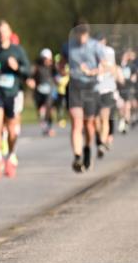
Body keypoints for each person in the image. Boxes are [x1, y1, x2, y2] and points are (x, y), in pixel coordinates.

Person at [0, 20, 30, 179]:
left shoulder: (17, 51)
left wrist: (17, 68)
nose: (1, 35)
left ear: (9, 33)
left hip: (12, 94)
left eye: (4, 32)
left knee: (12, 130)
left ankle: (11, 156)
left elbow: (27, 71)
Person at [61, 22, 102, 172]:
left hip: (91, 87)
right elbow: (61, 64)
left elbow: (104, 66)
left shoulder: (95, 46)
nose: (81, 37)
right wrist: (63, 71)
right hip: (74, 88)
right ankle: (77, 156)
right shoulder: (68, 46)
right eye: (79, 34)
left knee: (89, 124)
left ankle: (86, 149)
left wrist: (92, 72)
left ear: (88, 34)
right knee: (76, 123)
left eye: (84, 34)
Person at [95, 34, 119, 157]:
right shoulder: (91, 50)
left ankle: (102, 143)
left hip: (107, 89)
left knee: (105, 117)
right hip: (94, 90)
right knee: (96, 119)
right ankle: (101, 139)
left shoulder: (109, 51)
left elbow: (113, 67)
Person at [29, 48, 58, 137]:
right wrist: (31, 81)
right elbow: (31, 76)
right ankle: (45, 126)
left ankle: (49, 126)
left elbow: (57, 75)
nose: (46, 60)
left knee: (47, 108)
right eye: (44, 58)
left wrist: (57, 80)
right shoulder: (36, 67)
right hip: (39, 90)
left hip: (49, 90)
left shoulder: (53, 67)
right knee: (40, 110)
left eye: (47, 59)